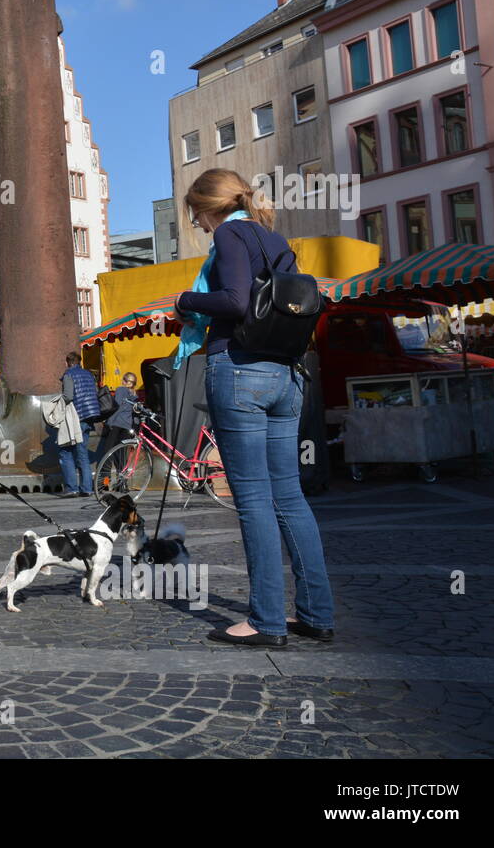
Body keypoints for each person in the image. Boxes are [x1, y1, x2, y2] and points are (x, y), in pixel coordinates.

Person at [175, 168, 334, 648]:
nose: (198, 224)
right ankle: (316, 613)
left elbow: (236, 300)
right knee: (289, 497)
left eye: (195, 214)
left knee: (253, 502)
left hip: (241, 371)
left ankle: (265, 620)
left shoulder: (228, 233)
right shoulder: (271, 235)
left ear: (208, 206)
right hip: (286, 376)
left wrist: (184, 299)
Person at [57, 351, 100, 498]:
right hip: (89, 417)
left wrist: (58, 403)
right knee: (82, 453)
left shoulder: (69, 375)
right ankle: (87, 488)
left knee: (66, 451)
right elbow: (95, 392)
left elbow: (68, 396)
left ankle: (71, 488)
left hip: (76, 418)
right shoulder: (88, 374)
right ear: (79, 361)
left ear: (68, 362)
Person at [93, 372, 139, 464]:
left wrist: (109, 422)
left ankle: (105, 476)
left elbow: (117, 408)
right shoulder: (134, 395)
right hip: (127, 426)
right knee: (121, 452)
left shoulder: (120, 390)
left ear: (124, 381)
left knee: (108, 451)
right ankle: (122, 475)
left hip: (116, 424)